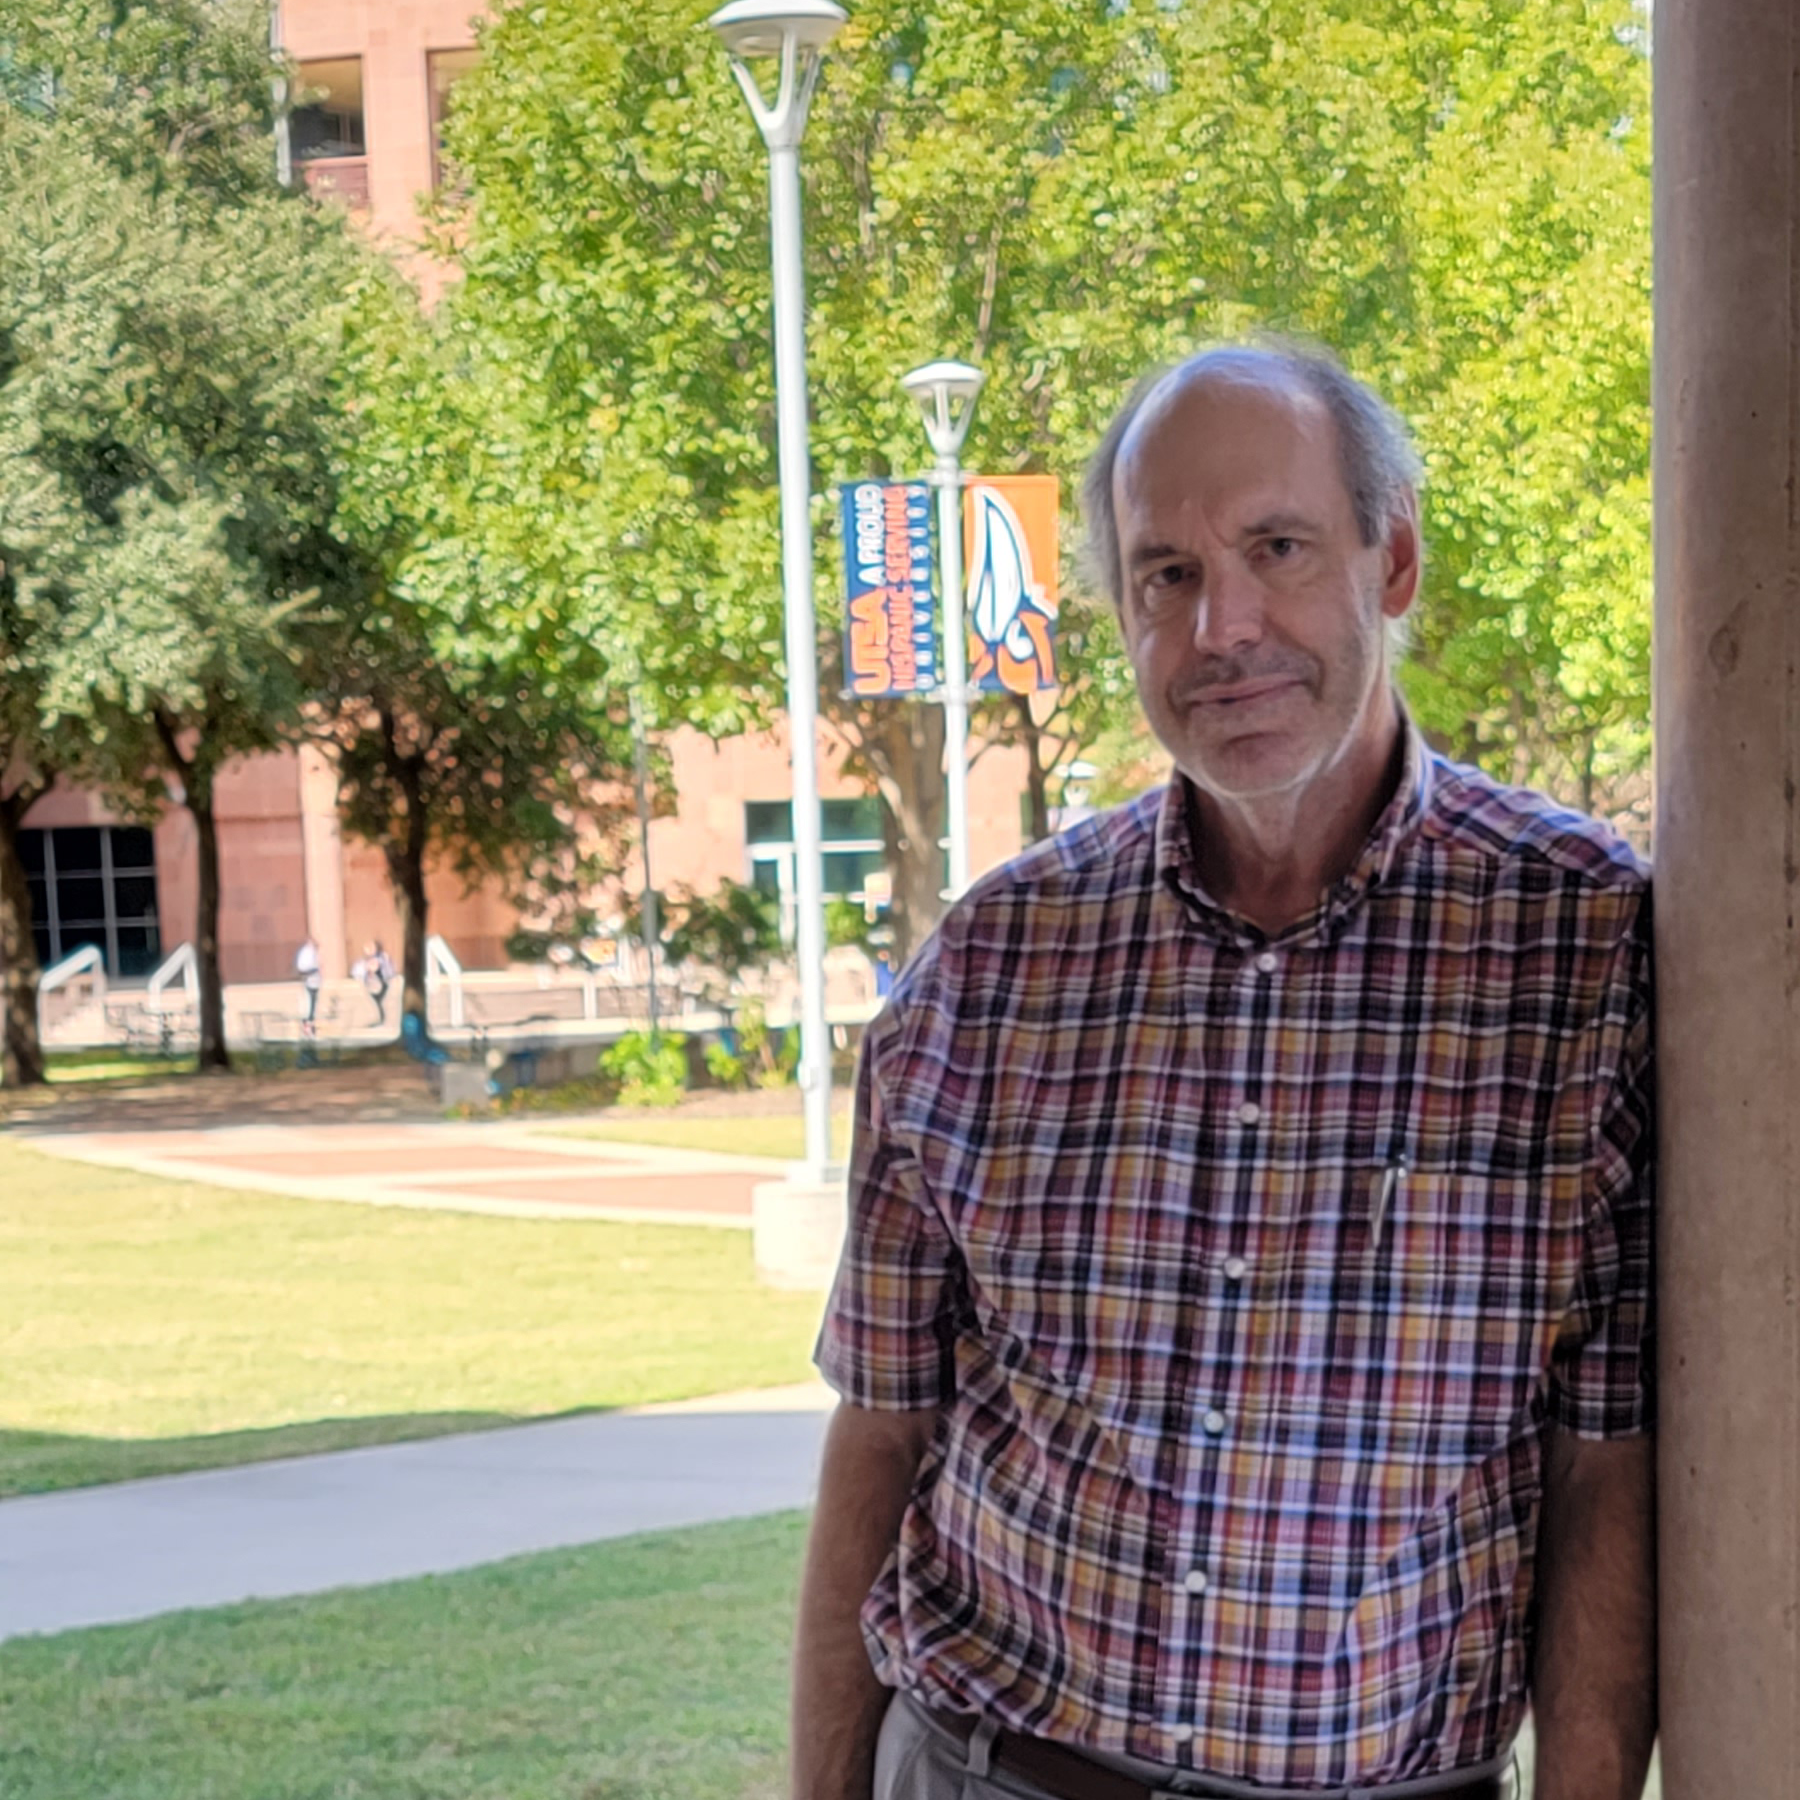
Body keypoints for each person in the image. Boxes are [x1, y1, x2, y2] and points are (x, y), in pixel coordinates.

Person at [800, 344, 1654, 1800]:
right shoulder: (993, 967)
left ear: (1393, 561)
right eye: (1168, 574)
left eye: (1277, 549)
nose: (1223, 627)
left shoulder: (1584, 947)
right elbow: (881, 1434)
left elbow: (1604, 1471)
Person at [293, 934, 322, 1028]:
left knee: (312, 999)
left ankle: (309, 1019)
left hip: (313, 978)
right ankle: (308, 1020)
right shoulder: (308, 952)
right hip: (310, 977)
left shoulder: (311, 951)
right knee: (310, 999)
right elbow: (305, 966)